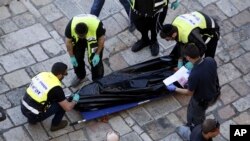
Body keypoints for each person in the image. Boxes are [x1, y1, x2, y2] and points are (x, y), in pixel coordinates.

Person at [166, 44, 220, 130]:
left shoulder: (194, 74)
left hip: (201, 100)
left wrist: (175, 88)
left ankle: (195, 129)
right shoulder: (210, 60)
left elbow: (189, 93)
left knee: (196, 116)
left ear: (188, 57)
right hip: (214, 92)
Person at [21, 62, 80, 131]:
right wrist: (74, 100)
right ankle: (55, 125)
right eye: (65, 74)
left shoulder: (42, 74)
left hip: (23, 107)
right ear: (59, 75)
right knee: (62, 105)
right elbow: (68, 108)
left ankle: (31, 120)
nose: (65, 76)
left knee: (50, 99)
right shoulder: (56, 89)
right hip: (34, 115)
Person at [65, 14, 106, 87]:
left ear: (87, 31)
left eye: (83, 36)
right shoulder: (70, 27)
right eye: (80, 36)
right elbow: (68, 42)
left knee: (96, 62)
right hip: (77, 40)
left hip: (92, 39)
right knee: (77, 59)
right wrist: (72, 56)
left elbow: (101, 40)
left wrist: (97, 54)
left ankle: (97, 79)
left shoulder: (97, 26)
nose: (82, 37)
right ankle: (80, 75)